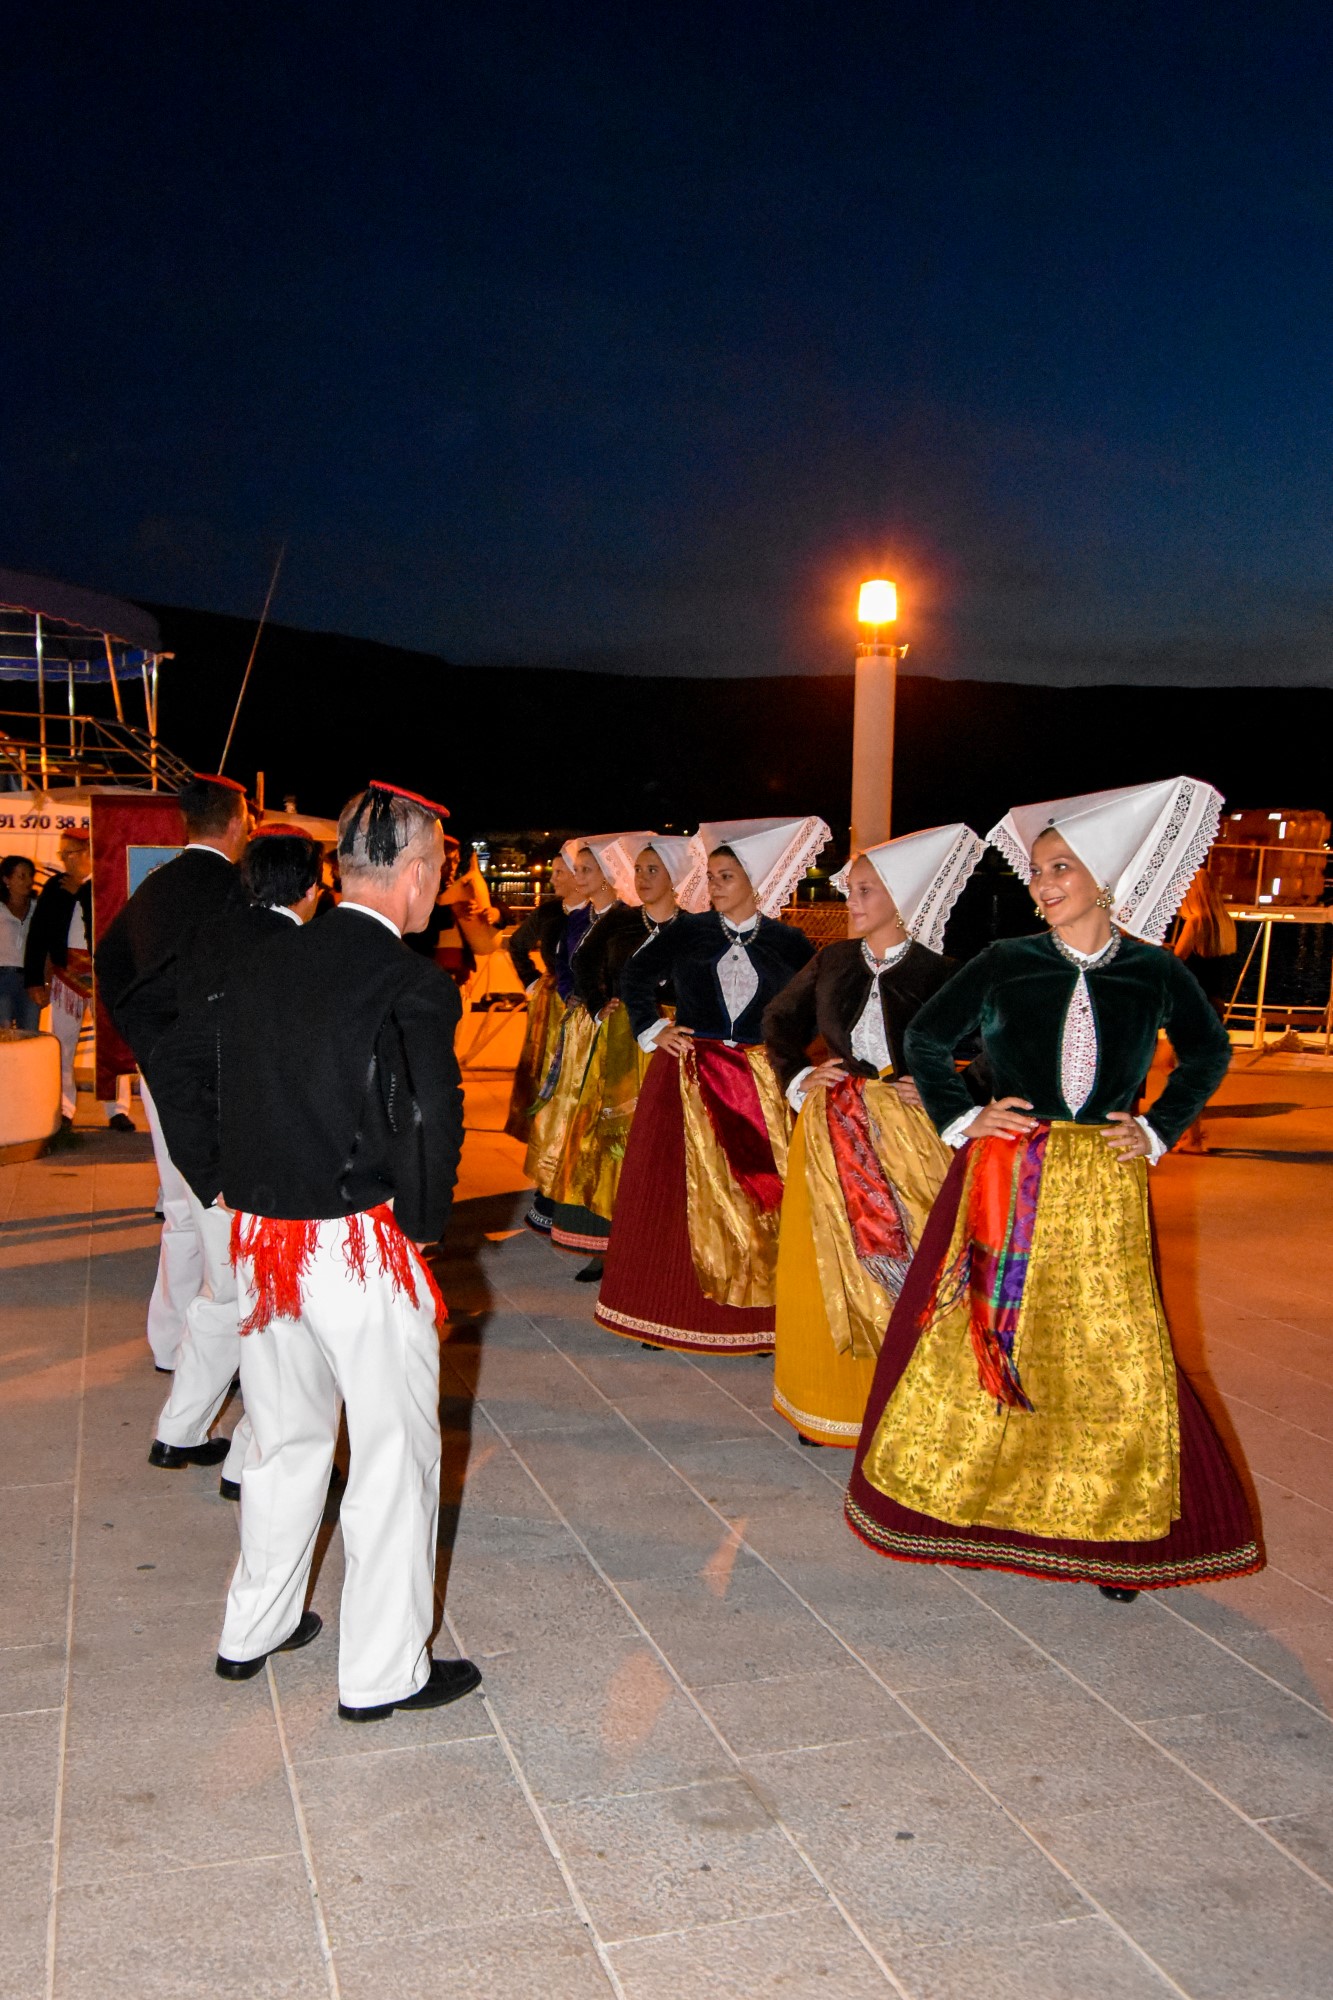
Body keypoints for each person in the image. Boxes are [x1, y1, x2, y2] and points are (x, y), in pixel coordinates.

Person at [845, 778, 1263, 1599]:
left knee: (1108, 1346)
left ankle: (1106, 1527)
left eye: (1059, 869)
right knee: (989, 1333)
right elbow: (927, 1036)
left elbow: (1209, 1052)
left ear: (1101, 880)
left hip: (1103, 1182)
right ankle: (972, 1498)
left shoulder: (1150, 970)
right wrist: (964, 1120)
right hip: (1009, 1168)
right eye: (1037, 871)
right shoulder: (1007, 961)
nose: (1041, 885)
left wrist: (1152, 1129)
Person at [175, 781, 477, 1720]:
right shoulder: (411, 982)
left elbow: (191, 1068)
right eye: (439, 872)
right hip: (361, 1246)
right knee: (391, 1455)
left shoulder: (265, 959)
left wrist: (222, 1179)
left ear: (342, 870)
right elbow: (430, 1119)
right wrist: (423, 1228)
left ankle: (252, 1629)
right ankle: (383, 1671)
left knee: (283, 1442)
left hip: (264, 1242)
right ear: (419, 873)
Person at [763, 825, 985, 1447]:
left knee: (917, 1260)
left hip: (914, 1135)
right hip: (833, 1125)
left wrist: (955, 1088)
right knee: (825, 1267)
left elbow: (998, 1041)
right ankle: (833, 1405)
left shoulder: (942, 970)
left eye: (864, 891)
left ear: (903, 896)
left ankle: (917, 1403)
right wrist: (802, 1070)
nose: (851, 902)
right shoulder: (832, 959)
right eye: (851, 890)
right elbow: (779, 1018)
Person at [595, 816, 827, 1355]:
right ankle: (663, 1313)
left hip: (759, 1086)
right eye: (713, 876)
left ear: (754, 882)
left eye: (725, 877)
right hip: (689, 1077)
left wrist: (786, 1049)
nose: (714, 887)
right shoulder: (690, 929)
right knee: (676, 1197)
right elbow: (634, 976)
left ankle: (763, 1318)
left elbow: (820, 1002)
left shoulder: (790, 942)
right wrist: (654, 1028)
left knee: (763, 1198)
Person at [144, 830, 325, 1496]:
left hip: (213, 1167)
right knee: (275, 1313)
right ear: (311, 888)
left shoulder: (213, 941)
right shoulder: (296, 957)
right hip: (256, 1170)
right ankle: (247, 1462)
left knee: (226, 1300)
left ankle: (180, 1432)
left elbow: (170, 1055)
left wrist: (200, 1166)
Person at [96, 774, 252, 1368]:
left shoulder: (157, 883)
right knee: (215, 1207)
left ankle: (170, 1341)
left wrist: (145, 1038)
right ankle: (213, 1345)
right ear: (237, 824)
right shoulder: (232, 889)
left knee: (182, 1210)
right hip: (209, 1068)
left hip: (160, 1062)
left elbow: (111, 961)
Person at [548, 833, 706, 1277]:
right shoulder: (618, 923)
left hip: (674, 1041)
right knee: (617, 1140)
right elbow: (582, 966)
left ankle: (667, 1240)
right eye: (638, 870)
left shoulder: (694, 928)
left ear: (675, 877)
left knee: (669, 1143)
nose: (642, 878)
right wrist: (601, 1005)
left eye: (653, 871)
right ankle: (608, 1242)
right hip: (623, 1041)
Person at [523, 833, 648, 1237]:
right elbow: (565, 966)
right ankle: (560, 1199)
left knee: (600, 1120)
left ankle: (599, 1215)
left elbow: (624, 974)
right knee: (568, 1116)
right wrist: (571, 996)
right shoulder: (580, 919)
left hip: (610, 1031)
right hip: (579, 1029)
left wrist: (604, 1003)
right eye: (578, 869)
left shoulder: (627, 920)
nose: (579, 876)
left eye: (586, 869)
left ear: (610, 875)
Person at [25, 831, 136, 1128]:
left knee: (111, 1044)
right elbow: (38, 935)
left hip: (104, 978)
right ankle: (64, 1108)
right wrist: (34, 978)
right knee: (62, 1044)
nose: (65, 859)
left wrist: (81, 892)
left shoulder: (107, 884)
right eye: (62, 854)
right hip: (67, 978)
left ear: (88, 852)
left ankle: (118, 1110)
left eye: (70, 853)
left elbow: (110, 922)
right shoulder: (54, 886)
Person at [503, 849, 580, 1143]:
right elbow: (517, 945)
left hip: (585, 1007)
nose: (552, 879)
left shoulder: (598, 916)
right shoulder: (548, 913)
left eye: (560, 873)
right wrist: (533, 981)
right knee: (546, 1072)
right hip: (552, 1006)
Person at [1171, 868, 1241, 1154]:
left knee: (1186, 1073)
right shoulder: (1225, 923)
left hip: (1193, 1007)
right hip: (1215, 1004)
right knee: (1181, 1066)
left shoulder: (1196, 922)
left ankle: (1195, 1138)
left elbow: (1176, 961)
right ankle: (1191, 1134)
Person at [0, 854, 39, 1029]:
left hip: (31, 981)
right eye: (21, 876)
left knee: (30, 1034)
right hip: (2, 977)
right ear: (6, 879)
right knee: (4, 1033)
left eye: (30, 876)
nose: (28, 881)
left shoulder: (38, 908)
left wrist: (44, 982)